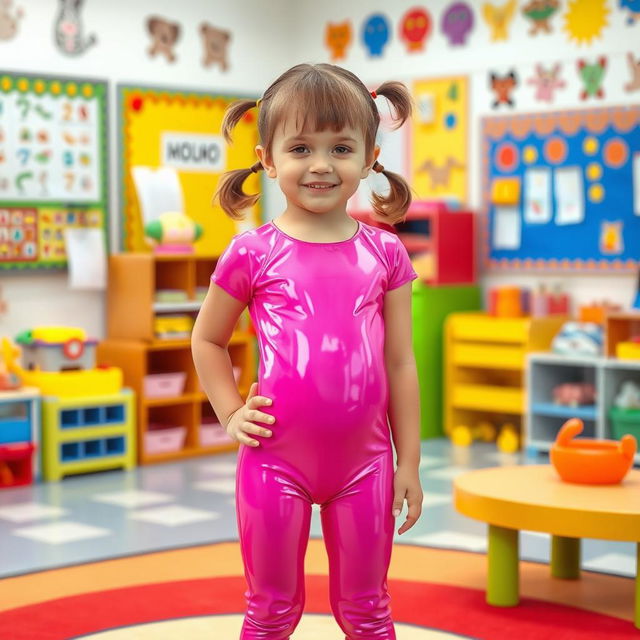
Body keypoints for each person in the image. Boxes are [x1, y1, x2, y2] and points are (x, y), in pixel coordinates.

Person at [191, 63, 423, 640]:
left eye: (340, 147)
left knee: (368, 610)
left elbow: (400, 362)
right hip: (274, 460)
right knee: (270, 611)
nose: (320, 165)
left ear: (370, 156)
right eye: (300, 147)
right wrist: (229, 411)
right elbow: (207, 339)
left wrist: (409, 462)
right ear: (267, 159)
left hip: (366, 464)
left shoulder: (385, 254)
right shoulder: (251, 253)